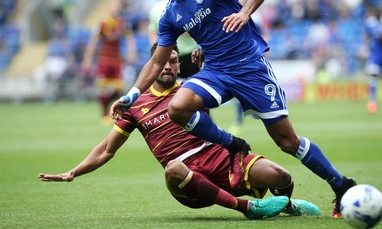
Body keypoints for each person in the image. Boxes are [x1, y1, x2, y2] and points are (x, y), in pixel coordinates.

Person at [110, 0, 356, 218]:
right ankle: (231, 144)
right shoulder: (170, 15)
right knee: (178, 107)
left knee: (287, 142)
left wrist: (244, 13)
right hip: (216, 71)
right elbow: (156, 61)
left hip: (250, 68)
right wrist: (133, 94)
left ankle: (341, 185)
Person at [38, 44, 321, 219]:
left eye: (174, 60)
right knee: (172, 168)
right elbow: (106, 150)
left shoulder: (189, 90)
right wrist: (74, 171)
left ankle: (288, 207)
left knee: (281, 176)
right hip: (186, 176)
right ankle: (247, 209)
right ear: (153, 65)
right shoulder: (136, 105)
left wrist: (203, 71)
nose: (170, 65)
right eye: (164, 60)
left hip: (219, 157)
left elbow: (207, 119)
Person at [82, 0, 136, 125]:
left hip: (117, 60)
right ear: (108, 8)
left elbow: (130, 39)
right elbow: (93, 42)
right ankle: (104, 114)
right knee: (103, 88)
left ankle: (109, 105)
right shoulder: (102, 24)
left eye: (116, 7)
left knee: (118, 89)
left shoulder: (123, 23)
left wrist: (132, 53)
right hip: (104, 60)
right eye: (112, 7)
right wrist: (87, 59)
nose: (114, 9)